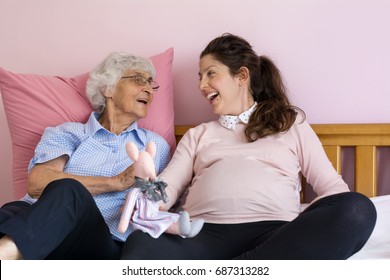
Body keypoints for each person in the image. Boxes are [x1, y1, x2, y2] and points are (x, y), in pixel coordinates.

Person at [121, 33, 377, 260]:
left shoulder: (290, 123)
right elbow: (167, 192)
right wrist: (149, 188)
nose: (201, 85)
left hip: (275, 237)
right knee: (140, 244)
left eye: (211, 73)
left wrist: (308, 225)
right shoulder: (198, 134)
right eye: (200, 77)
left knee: (357, 209)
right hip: (203, 237)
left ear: (242, 75)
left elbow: (333, 190)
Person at [0, 52, 171, 259]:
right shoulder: (67, 133)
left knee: (70, 190)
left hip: (96, 238)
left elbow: (161, 202)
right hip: (28, 215)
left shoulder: (155, 146)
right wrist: (116, 182)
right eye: (137, 79)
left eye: (150, 83)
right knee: (10, 213)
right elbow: (37, 183)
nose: (148, 89)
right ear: (107, 88)